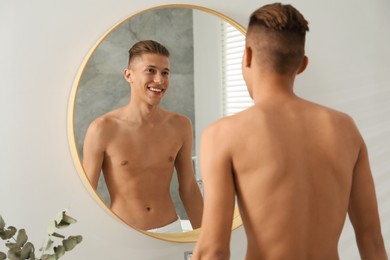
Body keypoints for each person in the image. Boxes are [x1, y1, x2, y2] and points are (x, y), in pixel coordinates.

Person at [193, 3, 387, 259]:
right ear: (302, 64)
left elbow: (213, 251)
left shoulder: (223, 134)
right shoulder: (345, 128)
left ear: (248, 55)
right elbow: (371, 241)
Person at [82, 40, 203, 233]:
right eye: (150, 71)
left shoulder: (180, 125)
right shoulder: (103, 129)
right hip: (123, 234)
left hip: (171, 230)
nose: (159, 80)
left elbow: (188, 188)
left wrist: (206, 238)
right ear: (128, 75)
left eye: (165, 73)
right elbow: (86, 196)